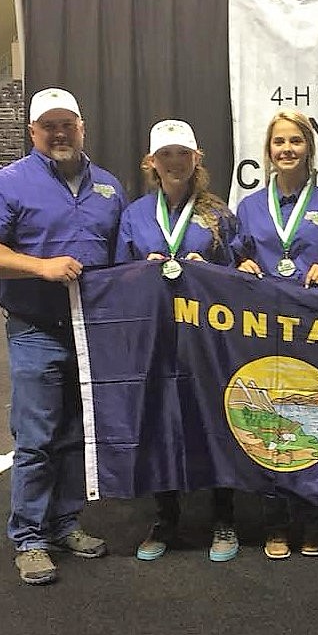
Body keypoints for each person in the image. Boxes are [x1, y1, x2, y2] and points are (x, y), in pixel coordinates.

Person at [0, 87, 127, 585]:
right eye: (49, 125)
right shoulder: (7, 182)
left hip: (90, 334)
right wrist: (39, 267)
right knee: (36, 437)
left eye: (67, 124)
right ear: (33, 132)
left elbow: (122, 255)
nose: (59, 133)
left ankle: (64, 522)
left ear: (82, 127)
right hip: (36, 330)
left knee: (77, 434)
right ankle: (30, 537)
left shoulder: (109, 187)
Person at [116, 118, 239, 563]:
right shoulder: (133, 215)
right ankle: (166, 516)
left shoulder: (219, 214)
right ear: (152, 161)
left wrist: (207, 271)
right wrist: (142, 269)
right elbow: (116, 278)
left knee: (215, 420)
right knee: (160, 423)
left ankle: (224, 517)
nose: (174, 162)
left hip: (209, 340)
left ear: (196, 159)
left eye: (181, 154)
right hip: (156, 339)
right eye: (165, 154)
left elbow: (241, 277)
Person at [231, 109, 318, 559]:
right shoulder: (248, 207)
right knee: (268, 424)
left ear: (308, 149)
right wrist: (240, 267)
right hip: (262, 332)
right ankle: (275, 522)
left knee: (313, 421)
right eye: (279, 142)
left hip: (311, 329)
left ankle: (314, 520)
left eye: (296, 141)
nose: (287, 149)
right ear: (269, 151)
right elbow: (234, 261)